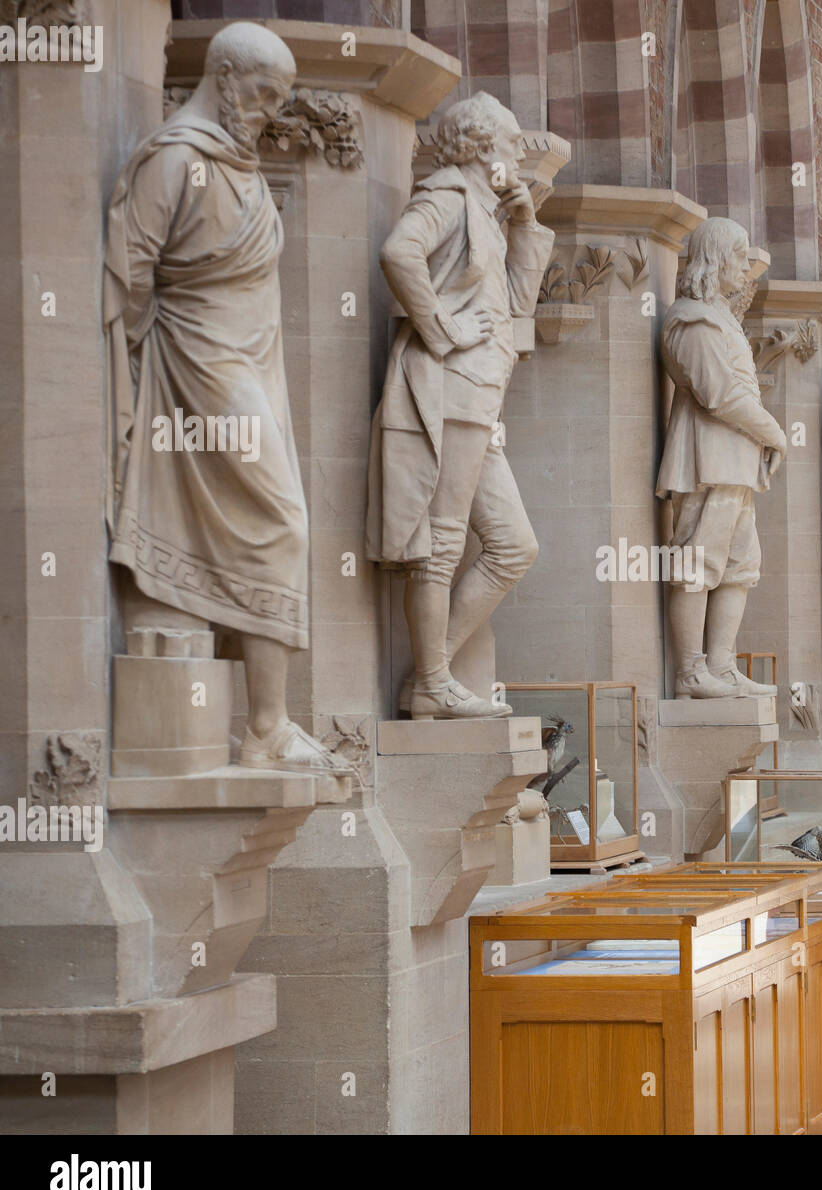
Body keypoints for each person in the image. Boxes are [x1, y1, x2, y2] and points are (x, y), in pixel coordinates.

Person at [106, 22, 347, 777]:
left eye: (283, 96)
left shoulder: (236, 164)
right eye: (265, 92)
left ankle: (269, 726)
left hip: (254, 363)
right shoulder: (176, 158)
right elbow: (127, 272)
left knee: (276, 520)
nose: (273, 110)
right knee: (283, 523)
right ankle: (265, 727)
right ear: (224, 74)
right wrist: (149, 365)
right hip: (202, 361)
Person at [364, 93, 554, 718]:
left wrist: (524, 222)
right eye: (508, 144)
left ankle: (431, 675)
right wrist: (443, 328)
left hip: (480, 400)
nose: (516, 155)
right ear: (478, 146)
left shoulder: (486, 211)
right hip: (451, 392)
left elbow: (520, 305)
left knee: (514, 545)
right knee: (441, 544)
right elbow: (399, 252)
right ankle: (434, 684)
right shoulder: (447, 197)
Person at [655, 216, 786, 699]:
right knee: (698, 561)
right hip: (706, 458)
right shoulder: (694, 319)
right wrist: (775, 434)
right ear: (715, 258)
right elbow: (721, 395)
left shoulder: (719, 317)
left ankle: (721, 667)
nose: (746, 267)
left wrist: (763, 442)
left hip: (734, 459)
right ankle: (691, 672)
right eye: (739, 256)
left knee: (741, 564)